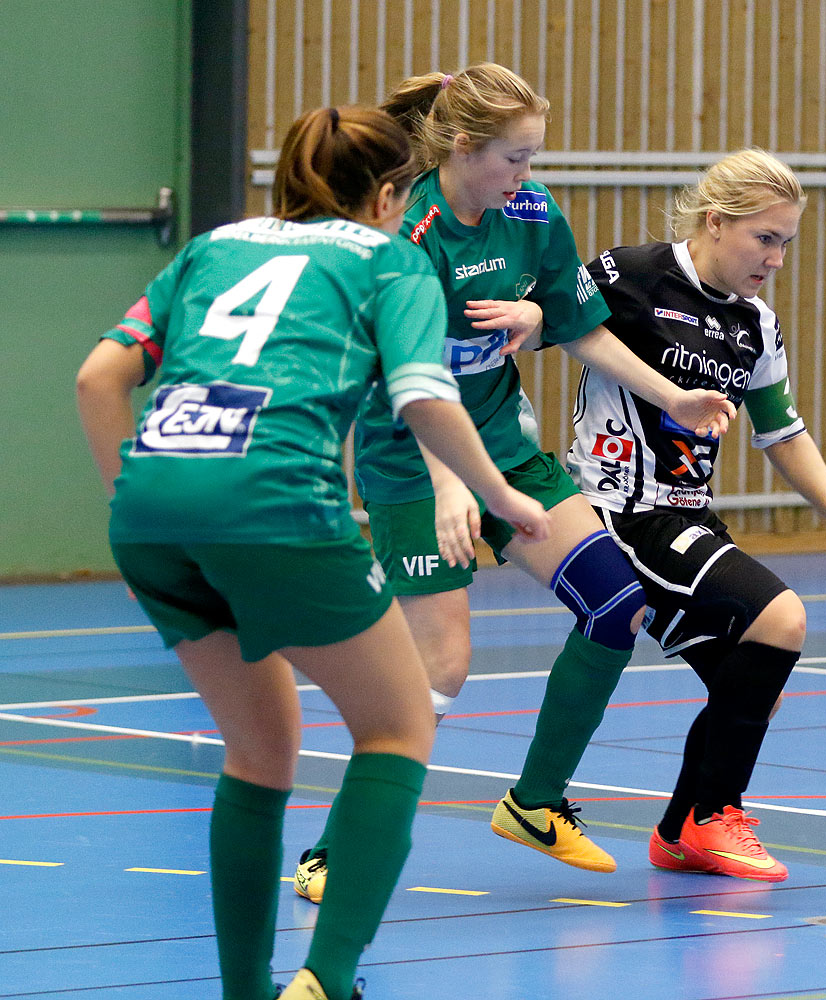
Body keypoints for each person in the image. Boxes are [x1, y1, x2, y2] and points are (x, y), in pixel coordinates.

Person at [75, 107, 550, 1000]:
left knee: (258, 750)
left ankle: (245, 991)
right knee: (399, 725)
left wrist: (130, 497)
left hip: (150, 512)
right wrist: (501, 494)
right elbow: (421, 396)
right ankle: (325, 981)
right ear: (385, 194)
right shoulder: (392, 259)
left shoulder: (212, 249)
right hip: (276, 505)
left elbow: (98, 377)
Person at [293, 63, 735, 901]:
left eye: (533, 158)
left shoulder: (528, 212)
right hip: (411, 462)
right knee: (439, 668)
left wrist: (670, 393)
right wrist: (452, 483)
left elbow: (576, 324)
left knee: (617, 604)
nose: (527, 177)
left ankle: (535, 803)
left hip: (501, 447)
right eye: (515, 159)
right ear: (462, 148)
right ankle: (332, 848)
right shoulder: (408, 233)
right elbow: (403, 378)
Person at [567, 149, 826, 882]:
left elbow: (781, 429)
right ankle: (712, 815)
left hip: (690, 516)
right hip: (622, 511)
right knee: (781, 619)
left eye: (787, 243)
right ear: (716, 223)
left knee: (754, 688)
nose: (776, 258)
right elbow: (552, 319)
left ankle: (681, 831)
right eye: (765, 238)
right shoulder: (629, 275)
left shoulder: (755, 325)